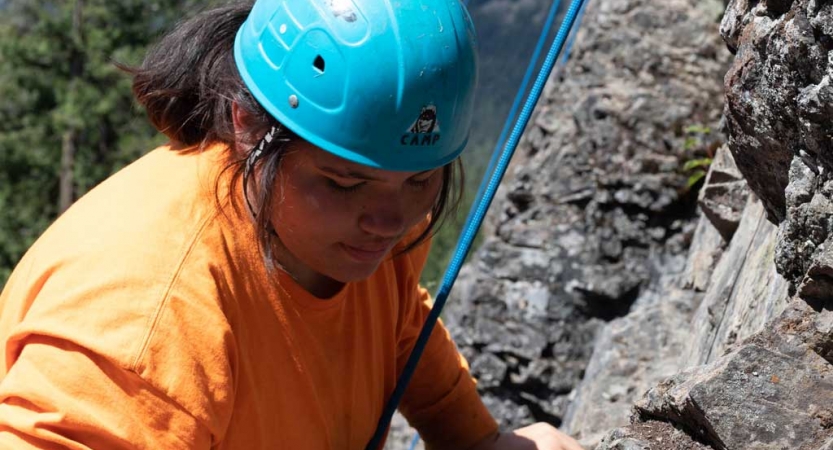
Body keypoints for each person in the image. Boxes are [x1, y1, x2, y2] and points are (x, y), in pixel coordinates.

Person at [0, 0, 583, 449]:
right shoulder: (147, 327)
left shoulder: (359, 227)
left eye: (422, 181)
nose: (391, 222)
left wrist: (474, 436)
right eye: (344, 182)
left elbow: (393, 318)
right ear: (248, 125)